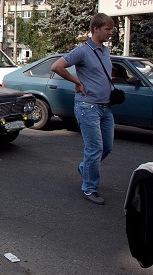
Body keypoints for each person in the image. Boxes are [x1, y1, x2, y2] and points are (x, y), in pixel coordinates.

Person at [51, 13, 115, 205]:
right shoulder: (82, 51)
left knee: (107, 147)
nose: (110, 33)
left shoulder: (105, 51)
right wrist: (76, 81)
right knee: (94, 148)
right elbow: (57, 66)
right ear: (96, 29)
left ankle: (85, 168)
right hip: (88, 107)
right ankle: (89, 188)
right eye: (107, 29)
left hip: (106, 107)